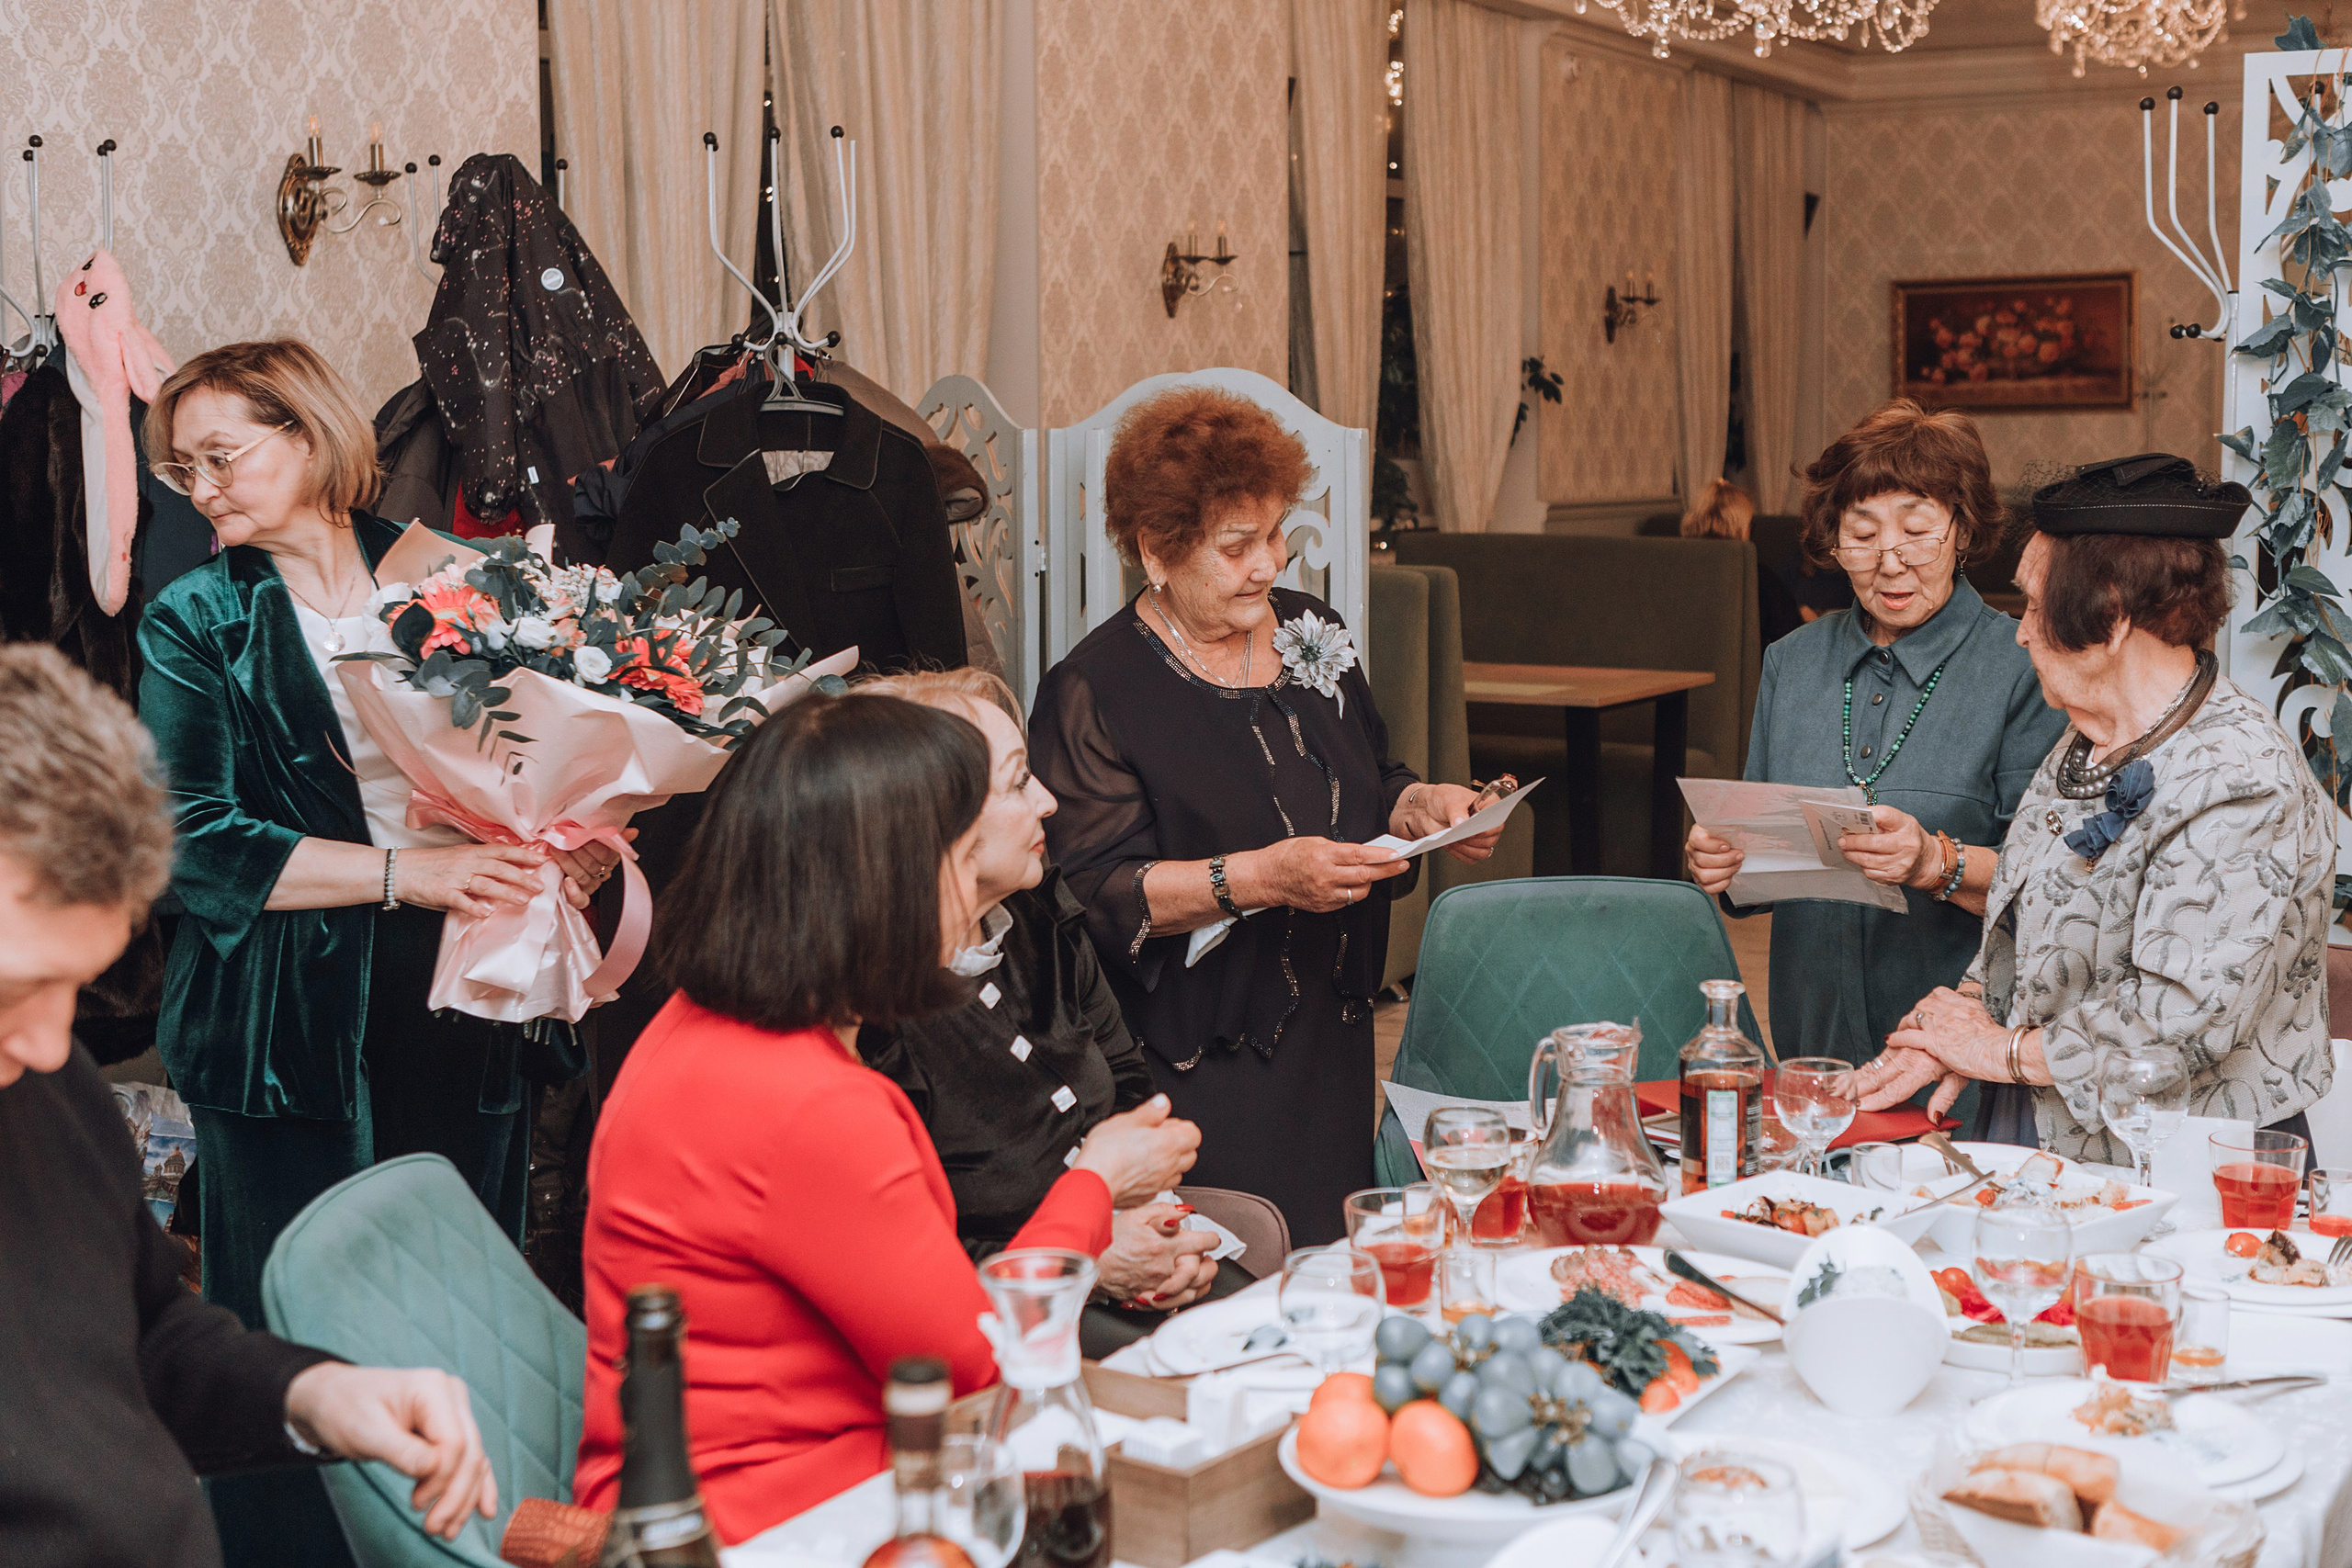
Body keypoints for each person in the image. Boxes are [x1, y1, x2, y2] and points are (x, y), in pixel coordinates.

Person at [134, 340, 622, 1563]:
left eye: (222, 453)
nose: (199, 485)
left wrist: (578, 847)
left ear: (308, 435)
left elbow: (566, 771)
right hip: (281, 1018)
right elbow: (195, 844)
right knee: (299, 1333)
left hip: (463, 992)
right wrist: (414, 871)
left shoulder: (456, 579)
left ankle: (482, 1539)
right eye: (180, 465)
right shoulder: (194, 617)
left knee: (463, 1295)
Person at [574, 694, 1201, 1540]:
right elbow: (975, 1361)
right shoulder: (807, 1101)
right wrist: (1096, 1180)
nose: (969, 892)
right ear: (885, 884)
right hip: (785, 1521)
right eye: (956, 857)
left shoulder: (703, 1019)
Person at [0, 644, 498, 1568]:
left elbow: (148, 1328)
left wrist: (308, 1396)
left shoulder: (43, 1080)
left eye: (73, 985)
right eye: (15, 988)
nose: (47, 1041)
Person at [1028, 387, 1501, 1245]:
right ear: (1155, 552)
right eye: (1237, 546)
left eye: (1276, 534)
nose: (1269, 564)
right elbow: (1093, 890)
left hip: (1331, 1028)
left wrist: (1422, 802)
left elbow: (1371, 772)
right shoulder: (1094, 690)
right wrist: (1262, 878)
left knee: (1325, 1253)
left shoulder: (1312, 632)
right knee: (1230, 1268)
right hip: (1200, 1052)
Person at [1853, 454, 2335, 1155]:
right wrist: (1954, 1023)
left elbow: (2177, 1021)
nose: (2020, 631)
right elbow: (2028, 921)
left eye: (2036, 605)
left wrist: (1994, 1049)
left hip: (2187, 1159)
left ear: (2109, 616)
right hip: (2051, 1131)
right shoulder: (2089, 737)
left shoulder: (2239, 776)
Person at [1685, 401, 2069, 1075]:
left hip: (1955, 1058)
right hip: (1812, 1051)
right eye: (1860, 536)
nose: (1889, 564)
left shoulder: (2021, 667)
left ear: (1961, 529)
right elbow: (1760, 861)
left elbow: (2054, 885)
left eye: (1917, 532)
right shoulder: (1793, 661)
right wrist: (1727, 864)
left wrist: (1933, 861)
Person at [854, 669, 1226, 1350]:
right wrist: (1087, 1259)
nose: (1050, 802)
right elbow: (899, 1273)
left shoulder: (1037, 915)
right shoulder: (863, 1018)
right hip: (995, 1327)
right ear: (942, 819)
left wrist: (1146, 1218)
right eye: (1021, 780)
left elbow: (1128, 1081)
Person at [1682, 478, 1803, 649]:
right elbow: (1791, 642)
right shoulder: (1757, 579)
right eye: (1750, 525)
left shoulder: (1669, 573)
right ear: (1739, 529)